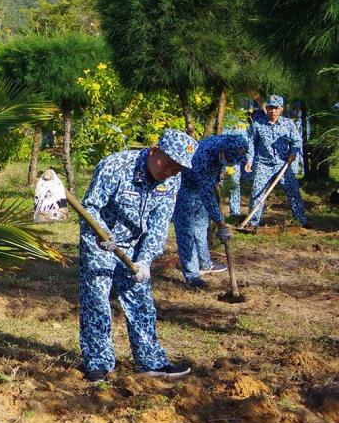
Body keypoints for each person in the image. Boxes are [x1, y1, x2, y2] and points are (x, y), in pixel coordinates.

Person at [77, 129, 196, 382]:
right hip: (100, 241)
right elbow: (90, 207)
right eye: (168, 163)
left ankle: (151, 360)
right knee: (97, 299)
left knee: (140, 300)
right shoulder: (116, 166)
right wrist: (104, 235)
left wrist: (145, 259)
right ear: (154, 151)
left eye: (177, 168)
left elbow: (160, 223)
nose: (170, 171)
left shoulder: (171, 180)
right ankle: (98, 363)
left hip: (134, 245)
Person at [173, 133, 248, 288]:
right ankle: (192, 276)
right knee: (186, 231)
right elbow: (207, 195)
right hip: (182, 187)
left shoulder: (231, 143)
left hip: (200, 185)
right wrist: (221, 224)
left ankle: (205, 263)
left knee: (201, 226)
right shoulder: (204, 158)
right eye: (227, 161)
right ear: (222, 152)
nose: (228, 164)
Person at [243, 95, 308, 231]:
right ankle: (252, 223)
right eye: (270, 108)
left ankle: (301, 220)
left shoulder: (288, 124)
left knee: (293, 190)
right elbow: (251, 143)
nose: (273, 111)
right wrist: (249, 160)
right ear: (266, 108)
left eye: (276, 108)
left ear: (281, 109)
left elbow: (296, 141)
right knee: (257, 192)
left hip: (283, 164)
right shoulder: (258, 124)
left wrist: (293, 153)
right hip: (263, 163)